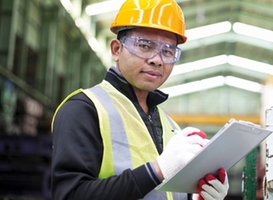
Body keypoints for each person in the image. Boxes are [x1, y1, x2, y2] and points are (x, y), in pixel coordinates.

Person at [51, 0, 229, 199]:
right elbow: (70, 195)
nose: (157, 59)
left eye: (168, 51)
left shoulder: (171, 128)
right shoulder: (84, 110)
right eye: (144, 46)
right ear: (116, 49)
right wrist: (156, 171)